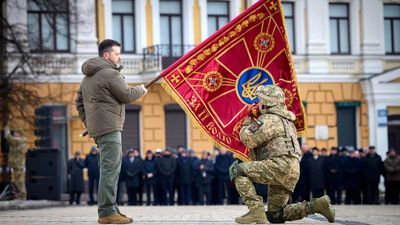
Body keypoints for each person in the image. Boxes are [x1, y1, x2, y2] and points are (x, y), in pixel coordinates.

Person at [230, 85, 334, 224]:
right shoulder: (287, 121)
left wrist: (247, 121)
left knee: (236, 170)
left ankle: (255, 210)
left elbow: (248, 138)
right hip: (291, 169)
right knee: (275, 214)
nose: (258, 105)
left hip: (279, 165)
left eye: (259, 101)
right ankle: (315, 206)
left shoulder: (270, 119)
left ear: (267, 103)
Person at [75, 39, 147, 224]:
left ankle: (112, 208)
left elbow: (79, 102)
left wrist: (89, 123)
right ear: (106, 55)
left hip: (99, 129)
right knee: (110, 170)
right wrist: (141, 90)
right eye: (117, 54)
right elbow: (127, 95)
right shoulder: (109, 73)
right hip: (110, 127)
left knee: (108, 168)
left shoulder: (87, 76)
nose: (119, 57)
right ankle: (107, 212)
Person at [5, 126, 27, 200]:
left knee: (19, 181)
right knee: (16, 181)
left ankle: (22, 196)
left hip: (18, 164)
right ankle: (20, 195)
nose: (14, 134)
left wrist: (7, 131)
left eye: (16, 133)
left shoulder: (18, 141)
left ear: (20, 134)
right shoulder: (19, 142)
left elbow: (9, 138)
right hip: (17, 164)